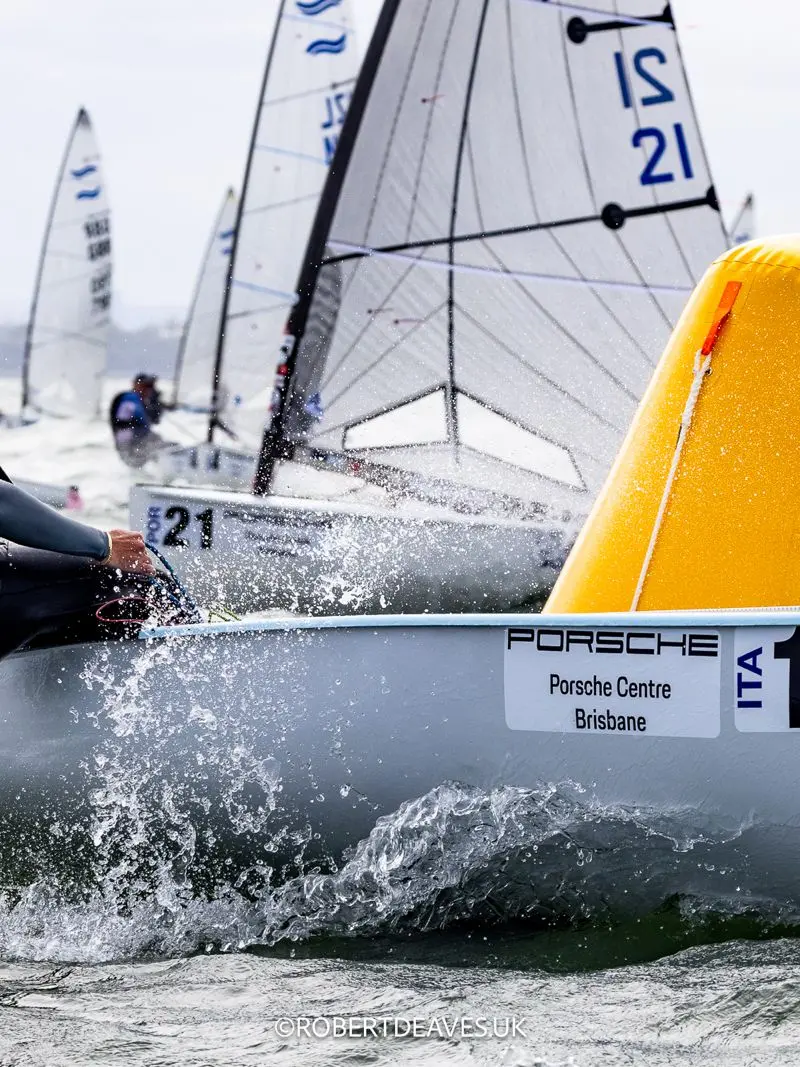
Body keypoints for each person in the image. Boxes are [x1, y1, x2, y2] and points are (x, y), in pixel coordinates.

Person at [109, 374, 168, 468]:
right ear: (135, 385)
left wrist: (157, 405)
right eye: (146, 386)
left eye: (151, 387)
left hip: (135, 446)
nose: (149, 390)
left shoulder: (141, 401)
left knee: (160, 441)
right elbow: (132, 411)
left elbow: (155, 420)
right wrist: (153, 405)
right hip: (130, 447)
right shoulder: (130, 398)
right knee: (161, 444)